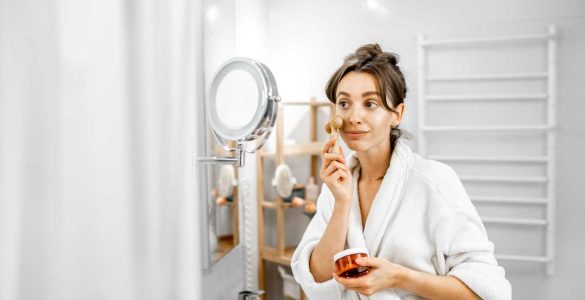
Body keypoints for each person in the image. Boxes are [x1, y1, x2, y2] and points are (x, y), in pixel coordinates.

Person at [291, 44, 511, 299]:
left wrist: (399, 277)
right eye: (344, 103)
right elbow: (316, 281)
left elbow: (489, 292)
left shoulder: (433, 181)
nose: (354, 116)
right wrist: (342, 203)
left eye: (370, 103)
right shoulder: (338, 186)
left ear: (397, 114)